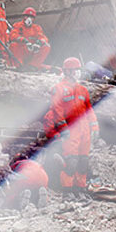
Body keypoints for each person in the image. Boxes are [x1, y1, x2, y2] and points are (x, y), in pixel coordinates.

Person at [43, 57, 98, 194]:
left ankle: (80, 189)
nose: (78, 73)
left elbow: (89, 109)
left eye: (79, 70)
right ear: (68, 71)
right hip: (71, 130)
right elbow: (57, 110)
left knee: (83, 162)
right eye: (76, 70)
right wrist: (63, 129)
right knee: (71, 162)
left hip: (84, 130)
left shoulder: (82, 90)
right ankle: (68, 191)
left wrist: (94, 126)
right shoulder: (58, 89)